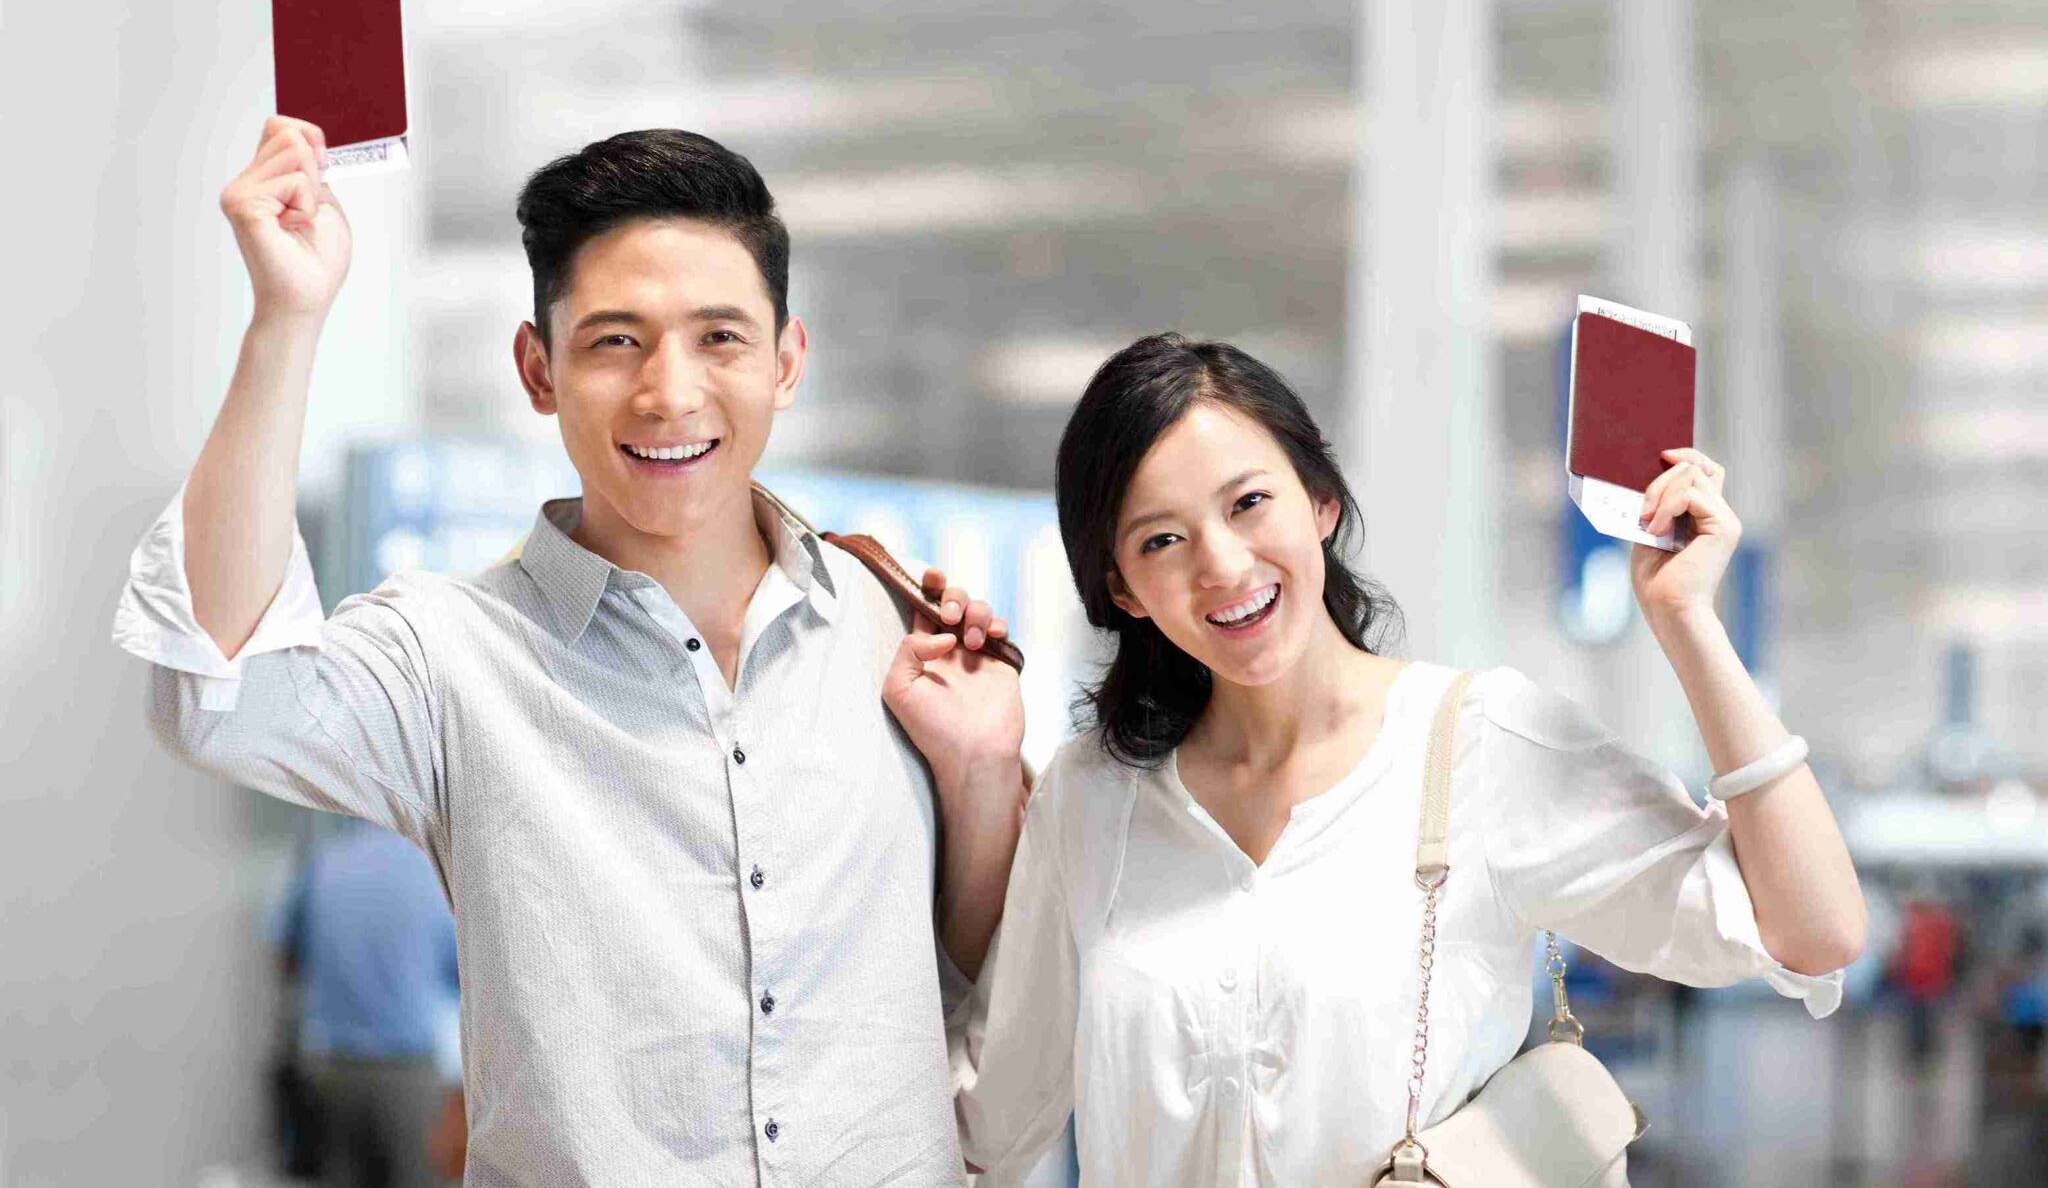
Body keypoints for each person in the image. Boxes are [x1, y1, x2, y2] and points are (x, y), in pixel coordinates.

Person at [112, 119, 1026, 1184]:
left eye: (719, 338)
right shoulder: (451, 656)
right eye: (614, 340)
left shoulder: (888, 623)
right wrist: (288, 318)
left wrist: (982, 774)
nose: (668, 392)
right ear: (538, 369)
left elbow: (960, 989)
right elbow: (219, 693)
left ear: (785, 362)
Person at [930, 333, 1867, 1186]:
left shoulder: (1478, 746)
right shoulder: (1094, 799)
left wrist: (1688, 621)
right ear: (1123, 589)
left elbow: (1812, 931)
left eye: (1250, 502)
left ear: (1323, 503)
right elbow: (993, 1124)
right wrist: (971, 766)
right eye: (1161, 539)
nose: (1220, 564)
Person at [270, 819, 461, 1188]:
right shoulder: (430, 872)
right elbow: (463, 971)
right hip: (408, 1072)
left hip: (329, 1069)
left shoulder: (323, 861)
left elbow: (285, 956)